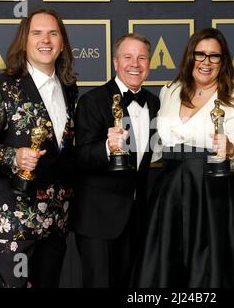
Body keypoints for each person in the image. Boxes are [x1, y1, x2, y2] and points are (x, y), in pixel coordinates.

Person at [132, 28, 234, 287]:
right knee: (166, 271)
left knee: (209, 271)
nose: (206, 62)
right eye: (200, 54)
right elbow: (157, 146)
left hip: (213, 196)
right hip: (169, 194)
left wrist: (230, 149)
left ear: (223, 62)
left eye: (214, 56)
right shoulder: (169, 92)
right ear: (190, 57)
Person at [0, 8, 78, 288]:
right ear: (24, 41)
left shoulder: (69, 88)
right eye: (37, 33)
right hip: (14, 219)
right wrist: (13, 156)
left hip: (56, 219)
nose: (46, 40)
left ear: (62, 42)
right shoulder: (0, 88)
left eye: (53, 33)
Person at [72, 33, 160, 288]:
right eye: (128, 57)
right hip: (99, 221)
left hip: (138, 219)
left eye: (142, 58)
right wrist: (107, 148)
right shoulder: (93, 101)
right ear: (115, 62)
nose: (135, 64)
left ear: (149, 64)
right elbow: (79, 157)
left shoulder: (154, 103)